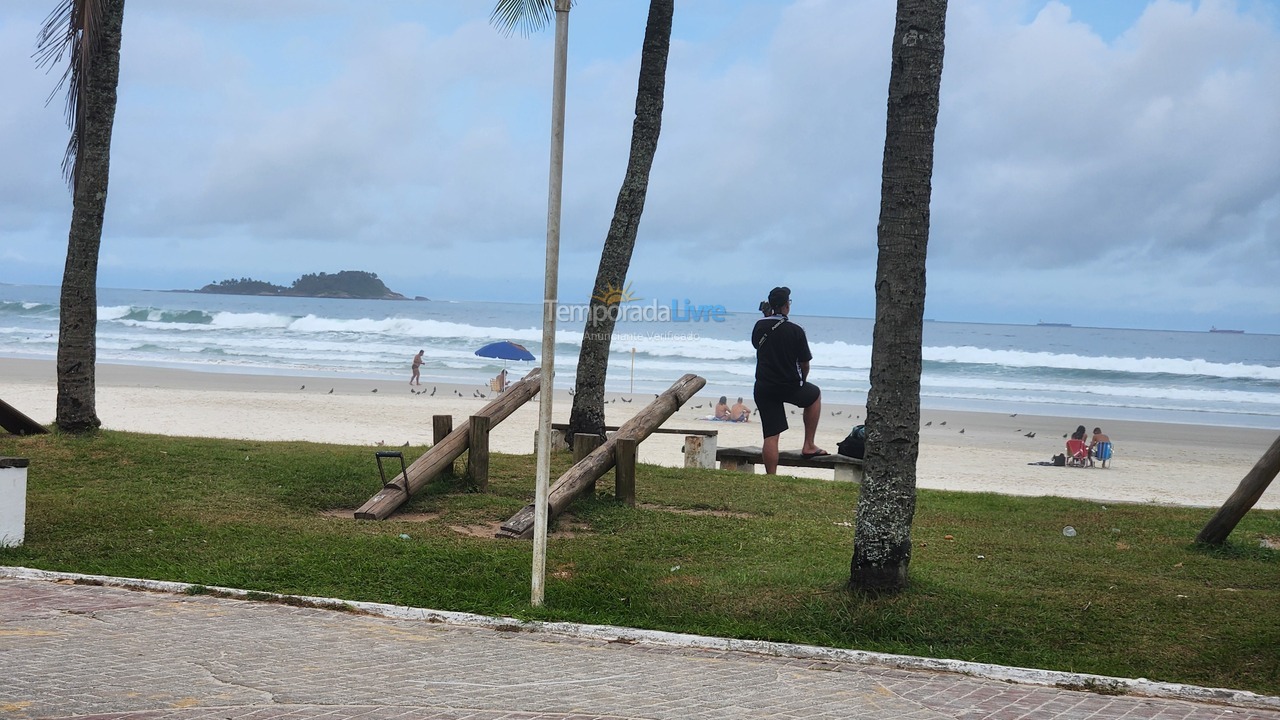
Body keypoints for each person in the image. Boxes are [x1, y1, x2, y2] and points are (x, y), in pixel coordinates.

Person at [752, 286, 825, 474]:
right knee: (814, 395)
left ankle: (771, 476)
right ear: (787, 305)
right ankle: (808, 444)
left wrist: (768, 315)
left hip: (764, 386)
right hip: (789, 385)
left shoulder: (759, 325)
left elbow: (757, 345)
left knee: (771, 435)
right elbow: (805, 363)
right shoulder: (795, 330)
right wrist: (803, 381)